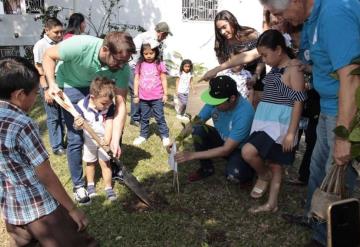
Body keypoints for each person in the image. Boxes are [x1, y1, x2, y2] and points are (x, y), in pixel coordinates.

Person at [259, 0, 360, 246]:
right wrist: (308, 67)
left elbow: (353, 77)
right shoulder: (313, 18)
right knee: (317, 171)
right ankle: (314, 220)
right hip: (328, 108)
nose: (281, 21)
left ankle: (329, 237)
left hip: (344, 113)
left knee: (336, 176)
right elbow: (331, 62)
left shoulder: (335, 13)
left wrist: (344, 136)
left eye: (281, 13)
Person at [0, 56, 97, 247]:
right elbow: (45, 174)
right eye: (36, 93)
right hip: (40, 210)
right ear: (19, 94)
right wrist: (72, 209)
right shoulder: (22, 124)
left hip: (11, 212)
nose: (37, 97)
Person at [43, 31, 136, 205]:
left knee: (110, 128)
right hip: (72, 85)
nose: (122, 66)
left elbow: (121, 104)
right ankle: (79, 185)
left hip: (99, 87)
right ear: (106, 49)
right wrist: (52, 83)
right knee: (76, 137)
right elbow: (48, 55)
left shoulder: (122, 67)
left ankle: (112, 166)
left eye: (126, 61)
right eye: (118, 60)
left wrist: (115, 139)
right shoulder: (81, 45)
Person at [241, 29, 306, 213]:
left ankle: (265, 177)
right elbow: (274, 94)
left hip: (278, 126)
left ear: (278, 50)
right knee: (274, 162)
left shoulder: (293, 69)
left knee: (248, 152)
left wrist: (291, 133)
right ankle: (272, 203)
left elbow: (298, 101)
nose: (263, 59)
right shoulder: (276, 69)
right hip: (265, 121)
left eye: (265, 55)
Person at [174, 75, 255, 184]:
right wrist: (178, 140)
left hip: (239, 149)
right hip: (223, 140)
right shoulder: (215, 101)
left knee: (234, 175)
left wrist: (192, 155)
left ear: (232, 98)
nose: (214, 104)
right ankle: (206, 168)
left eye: (218, 102)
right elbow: (195, 122)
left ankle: (248, 169)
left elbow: (227, 150)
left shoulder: (245, 114)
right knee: (198, 129)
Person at [74, 77, 117, 201]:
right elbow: (76, 127)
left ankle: (108, 187)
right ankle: (91, 185)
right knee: (90, 162)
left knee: (106, 163)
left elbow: (109, 123)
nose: (106, 106)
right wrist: (78, 123)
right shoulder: (81, 106)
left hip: (104, 139)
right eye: (103, 104)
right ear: (92, 97)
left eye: (109, 103)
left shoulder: (109, 105)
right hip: (89, 141)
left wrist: (107, 140)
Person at [214, 10, 265, 107]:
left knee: (254, 106)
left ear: (232, 21)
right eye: (219, 29)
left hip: (256, 72)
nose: (222, 32)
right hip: (234, 77)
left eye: (224, 27)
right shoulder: (221, 44)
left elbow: (262, 57)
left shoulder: (251, 35)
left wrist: (255, 75)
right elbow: (224, 67)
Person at [33, 17, 66, 156]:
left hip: (62, 81)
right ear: (47, 30)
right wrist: (46, 89)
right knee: (54, 117)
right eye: (56, 32)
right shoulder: (41, 45)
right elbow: (39, 70)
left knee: (64, 115)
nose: (59, 35)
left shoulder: (62, 43)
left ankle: (64, 141)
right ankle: (57, 146)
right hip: (48, 81)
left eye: (61, 32)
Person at [129, 22, 172, 127]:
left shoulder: (154, 39)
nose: (165, 38)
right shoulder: (150, 39)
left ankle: (145, 114)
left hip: (142, 67)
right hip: (134, 66)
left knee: (145, 89)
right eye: (165, 35)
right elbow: (137, 51)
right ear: (161, 33)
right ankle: (135, 118)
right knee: (136, 92)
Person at [132, 41, 170, 147]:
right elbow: (136, 79)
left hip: (157, 97)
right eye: (146, 54)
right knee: (144, 117)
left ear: (156, 52)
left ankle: (165, 136)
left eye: (151, 53)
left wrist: (165, 94)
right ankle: (143, 135)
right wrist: (136, 95)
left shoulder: (159, 64)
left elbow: (163, 79)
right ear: (142, 54)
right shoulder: (140, 64)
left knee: (160, 117)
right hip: (143, 98)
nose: (148, 56)